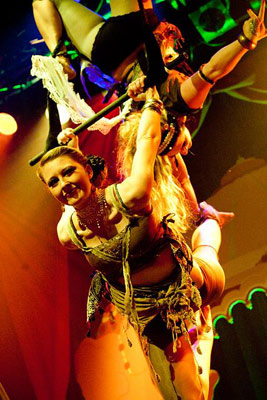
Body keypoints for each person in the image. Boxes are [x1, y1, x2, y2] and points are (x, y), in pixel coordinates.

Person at [37, 77, 234, 399]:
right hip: (150, 313)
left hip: (190, 287)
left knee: (206, 239)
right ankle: (205, 340)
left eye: (69, 172)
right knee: (189, 390)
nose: (64, 184)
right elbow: (68, 196)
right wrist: (69, 149)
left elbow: (146, 139)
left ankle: (210, 218)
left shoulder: (131, 195)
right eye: (54, 182)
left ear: (87, 170)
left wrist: (151, 100)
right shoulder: (67, 233)